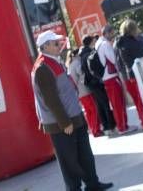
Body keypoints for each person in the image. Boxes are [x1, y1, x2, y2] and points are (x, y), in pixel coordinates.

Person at [31, 31, 113, 191]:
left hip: (74, 117)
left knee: (85, 155)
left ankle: (92, 183)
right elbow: (51, 99)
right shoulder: (42, 67)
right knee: (69, 161)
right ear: (45, 46)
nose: (59, 45)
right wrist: (64, 122)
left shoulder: (54, 61)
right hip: (62, 123)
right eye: (55, 43)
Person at [115, 19, 143, 132]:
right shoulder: (131, 42)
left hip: (127, 76)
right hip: (136, 74)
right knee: (142, 99)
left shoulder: (118, 43)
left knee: (138, 101)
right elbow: (142, 53)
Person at [95, 25, 132, 134]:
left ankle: (122, 125)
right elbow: (113, 59)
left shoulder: (98, 44)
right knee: (118, 103)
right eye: (112, 33)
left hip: (106, 77)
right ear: (107, 33)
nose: (113, 35)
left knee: (116, 103)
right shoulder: (105, 44)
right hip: (111, 77)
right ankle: (122, 126)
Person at [79, 36, 116, 135]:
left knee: (99, 104)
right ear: (91, 42)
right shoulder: (89, 53)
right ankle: (110, 125)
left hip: (90, 83)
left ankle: (106, 126)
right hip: (96, 82)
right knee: (105, 103)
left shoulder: (82, 54)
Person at [66, 48, 102, 137]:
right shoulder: (77, 63)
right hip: (85, 90)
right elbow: (82, 74)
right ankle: (96, 129)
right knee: (93, 109)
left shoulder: (69, 65)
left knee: (88, 111)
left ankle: (92, 129)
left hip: (79, 93)